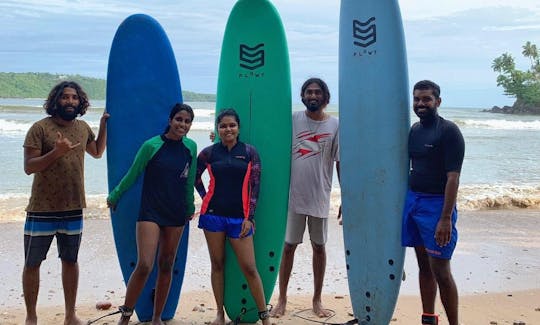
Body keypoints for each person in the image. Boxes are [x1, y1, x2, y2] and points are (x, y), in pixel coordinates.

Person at [22, 81, 109, 325]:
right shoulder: (39, 128)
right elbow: (29, 167)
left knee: (70, 261)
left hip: (73, 206)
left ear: (80, 103)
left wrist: (103, 126)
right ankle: (31, 317)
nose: (70, 101)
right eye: (65, 97)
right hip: (41, 208)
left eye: (74, 98)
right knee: (32, 263)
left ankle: (70, 315)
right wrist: (56, 153)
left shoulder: (82, 128)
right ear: (55, 101)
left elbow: (97, 151)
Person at [107, 103, 197, 325]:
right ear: (170, 120)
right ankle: (126, 315)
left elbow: (189, 180)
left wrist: (190, 206)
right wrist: (115, 195)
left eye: (187, 121)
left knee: (167, 264)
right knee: (145, 264)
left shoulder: (191, 147)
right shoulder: (152, 145)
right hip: (151, 211)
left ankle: (157, 317)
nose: (182, 125)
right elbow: (134, 172)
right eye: (179, 119)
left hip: (176, 212)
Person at [270, 78, 340, 318]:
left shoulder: (335, 125)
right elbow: (270, 139)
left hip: (320, 196)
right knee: (288, 247)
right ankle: (282, 299)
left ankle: (317, 300)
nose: (312, 96)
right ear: (302, 96)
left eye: (317, 92)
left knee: (319, 247)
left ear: (325, 97)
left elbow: (340, 162)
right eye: (308, 92)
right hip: (294, 197)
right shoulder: (293, 120)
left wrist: (347, 198)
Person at [196, 108, 270, 325]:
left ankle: (264, 315)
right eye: (223, 126)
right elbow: (195, 177)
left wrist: (250, 217)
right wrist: (205, 197)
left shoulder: (249, 152)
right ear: (217, 129)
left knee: (249, 267)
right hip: (213, 217)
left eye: (232, 125)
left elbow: (255, 186)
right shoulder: (209, 153)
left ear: (238, 128)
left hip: (240, 219)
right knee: (217, 264)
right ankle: (219, 313)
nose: (227, 129)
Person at [401, 80, 465, 325]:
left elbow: (453, 177)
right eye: (417, 99)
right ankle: (429, 318)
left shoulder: (449, 131)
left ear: (437, 101)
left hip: (436, 206)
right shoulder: (414, 130)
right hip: (414, 202)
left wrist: (446, 218)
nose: (420, 104)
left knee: (441, 270)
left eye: (426, 99)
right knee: (423, 266)